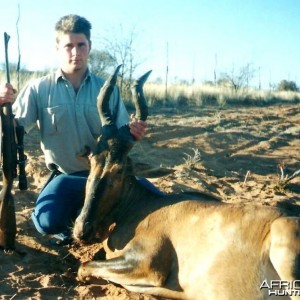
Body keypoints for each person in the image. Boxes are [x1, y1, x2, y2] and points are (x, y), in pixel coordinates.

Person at [0, 14, 157, 244]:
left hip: (105, 177)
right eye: (69, 46)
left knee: (157, 199)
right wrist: (2, 106)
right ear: (57, 48)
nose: (76, 52)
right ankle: (77, 222)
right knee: (46, 221)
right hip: (67, 176)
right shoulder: (38, 88)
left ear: (89, 46)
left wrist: (134, 134)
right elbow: (13, 131)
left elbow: (122, 138)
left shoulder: (107, 89)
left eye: (81, 45)